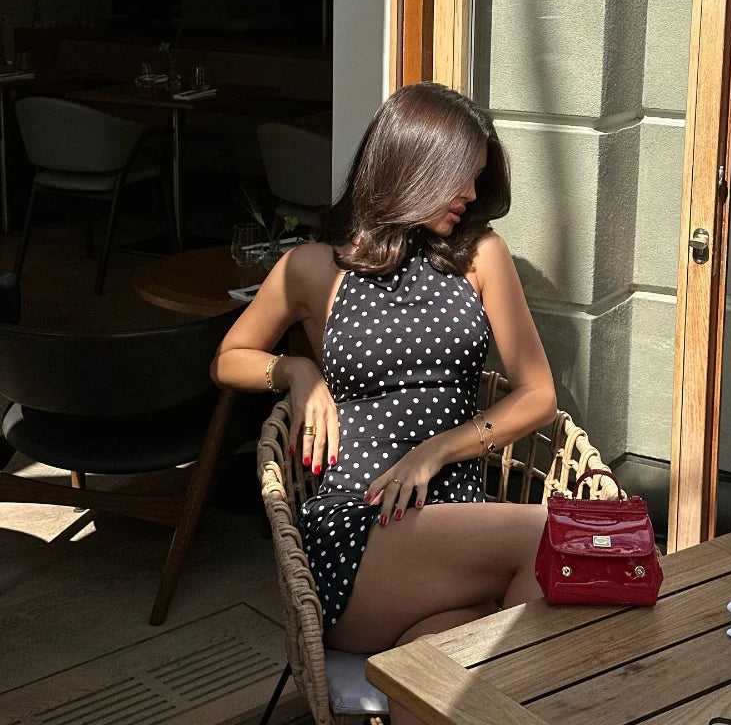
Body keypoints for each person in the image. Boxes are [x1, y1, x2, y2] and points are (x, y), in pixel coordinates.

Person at [212, 82, 556, 725]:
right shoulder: (314, 267)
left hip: (458, 534)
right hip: (360, 528)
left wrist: (437, 451)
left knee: (436, 683)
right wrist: (296, 370)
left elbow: (538, 395)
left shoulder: (481, 256)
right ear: (414, 166)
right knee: (549, 536)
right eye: (461, 177)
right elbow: (229, 357)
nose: (472, 195)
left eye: (478, 179)